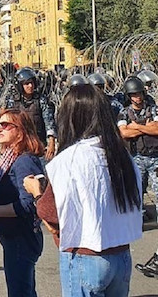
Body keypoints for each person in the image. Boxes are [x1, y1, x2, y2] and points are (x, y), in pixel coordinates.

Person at [25, 84, 143, 296]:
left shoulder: (70, 159)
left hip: (86, 256)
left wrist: (37, 192)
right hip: (121, 255)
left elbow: (51, 213)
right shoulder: (122, 156)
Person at [0, 109, 45, 297]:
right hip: (15, 236)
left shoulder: (23, 161)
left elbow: (28, 204)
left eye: (6, 125)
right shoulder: (10, 159)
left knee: (20, 292)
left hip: (20, 237)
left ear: (20, 131)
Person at [118, 76, 158, 223]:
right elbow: (124, 133)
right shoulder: (124, 113)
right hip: (136, 157)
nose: (138, 97)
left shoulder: (152, 109)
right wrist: (147, 128)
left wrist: (136, 127)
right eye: (134, 95)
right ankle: (138, 219)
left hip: (155, 157)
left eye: (139, 93)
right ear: (129, 96)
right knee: (137, 192)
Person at [4, 67, 57, 162]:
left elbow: (49, 121)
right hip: (18, 146)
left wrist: (51, 142)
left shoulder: (40, 100)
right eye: (26, 83)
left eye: (32, 83)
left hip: (38, 145)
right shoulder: (13, 101)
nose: (30, 86)